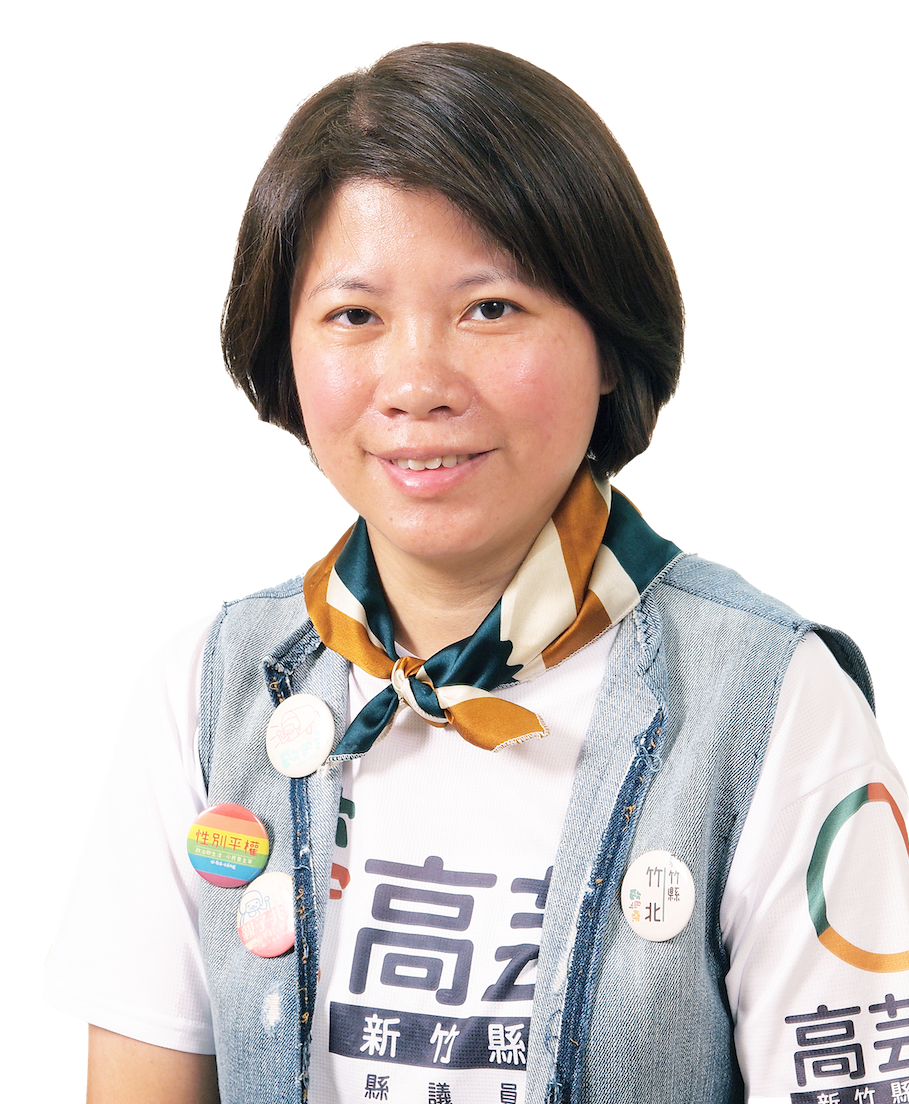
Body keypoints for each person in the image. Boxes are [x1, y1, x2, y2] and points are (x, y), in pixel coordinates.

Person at [40, 40, 908, 1104]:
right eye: (355, 316)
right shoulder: (200, 692)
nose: (417, 384)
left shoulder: (773, 705)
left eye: (489, 307)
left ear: (607, 341)